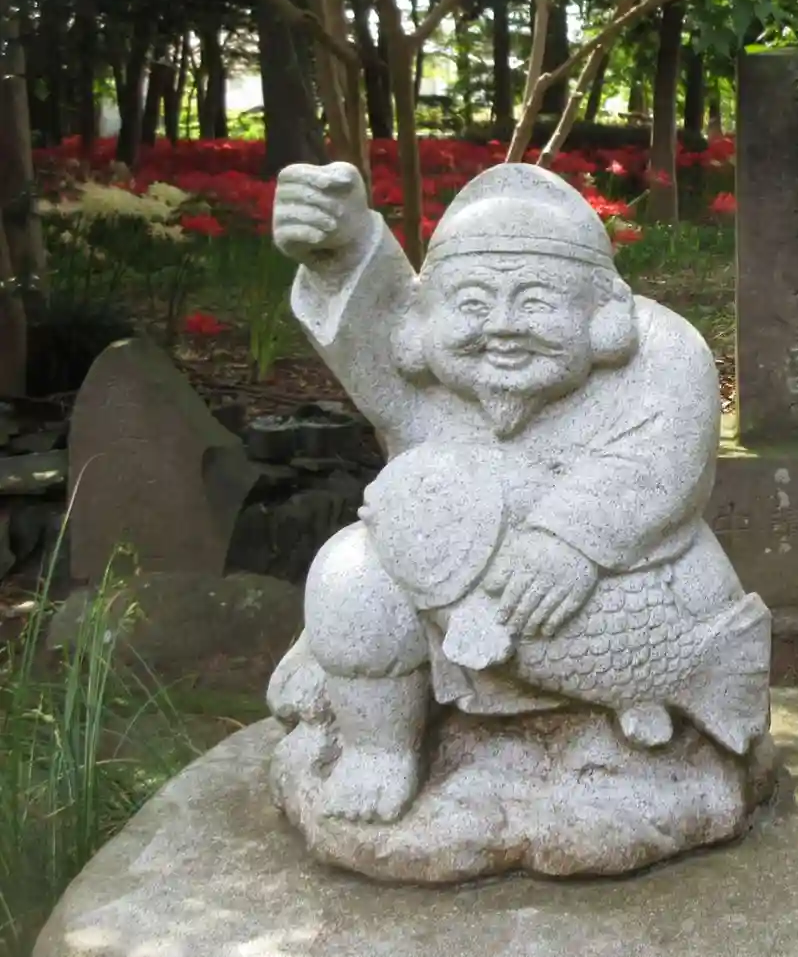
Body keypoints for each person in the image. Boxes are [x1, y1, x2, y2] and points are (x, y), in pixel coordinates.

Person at [265, 161, 768, 824]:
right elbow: (374, 326)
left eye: (534, 302)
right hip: (443, 572)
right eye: (472, 304)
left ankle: (666, 702)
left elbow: (665, 462)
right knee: (352, 578)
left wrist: (570, 540)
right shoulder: (427, 376)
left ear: (601, 315)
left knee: (693, 598)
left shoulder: (660, 352)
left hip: (622, 573)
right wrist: (344, 248)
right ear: (425, 323)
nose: (501, 326)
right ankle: (378, 749)